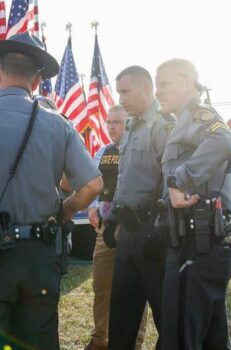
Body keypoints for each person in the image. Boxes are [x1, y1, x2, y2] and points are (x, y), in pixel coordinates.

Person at [0, 32, 103, 350]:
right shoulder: (59, 125)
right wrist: (63, 211)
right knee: (38, 340)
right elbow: (92, 185)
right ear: (37, 80)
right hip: (39, 257)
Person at [155, 58, 231, 350]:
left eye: (164, 83)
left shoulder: (199, 115)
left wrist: (180, 180)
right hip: (200, 240)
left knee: (178, 338)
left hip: (199, 241)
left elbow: (223, 141)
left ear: (188, 81)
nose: (158, 91)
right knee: (212, 339)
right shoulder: (182, 123)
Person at [104, 66, 171, 350]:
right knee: (121, 316)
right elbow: (124, 177)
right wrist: (113, 218)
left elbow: (172, 180)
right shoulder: (130, 127)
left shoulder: (163, 125)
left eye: (126, 91)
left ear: (146, 88)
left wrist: (161, 228)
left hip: (153, 234)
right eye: (119, 92)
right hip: (128, 234)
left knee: (166, 317)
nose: (122, 98)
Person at [85, 105, 147, 350]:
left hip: (133, 228)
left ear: (130, 123)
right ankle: (100, 340)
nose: (112, 126)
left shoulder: (143, 151)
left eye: (118, 122)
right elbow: (94, 185)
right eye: (109, 122)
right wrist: (92, 206)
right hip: (105, 229)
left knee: (134, 292)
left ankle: (133, 344)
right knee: (102, 288)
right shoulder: (102, 152)